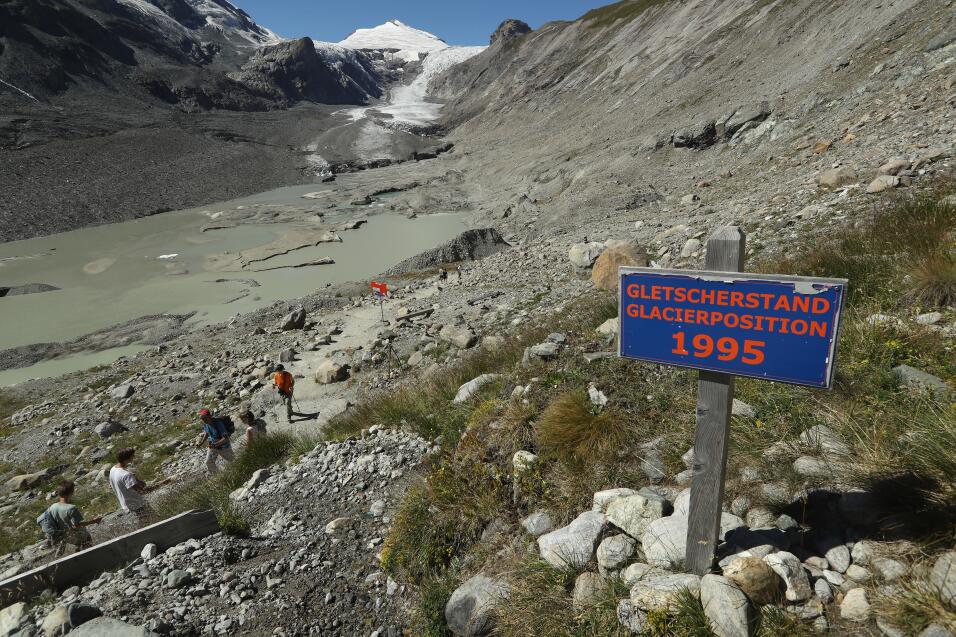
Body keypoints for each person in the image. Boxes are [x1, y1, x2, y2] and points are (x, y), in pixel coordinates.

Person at [39, 480, 101, 555]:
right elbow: (76, 525)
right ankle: (88, 557)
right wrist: (94, 521)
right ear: (71, 493)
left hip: (62, 534)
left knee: (77, 544)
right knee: (86, 538)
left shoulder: (53, 506)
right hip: (73, 534)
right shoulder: (71, 508)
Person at [109, 448, 158, 522]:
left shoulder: (113, 469)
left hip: (126, 505)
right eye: (132, 456)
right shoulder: (126, 475)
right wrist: (161, 484)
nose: (133, 457)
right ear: (127, 459)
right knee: (152, 521)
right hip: (137, 505)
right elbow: (142, 491)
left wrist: (135, 479)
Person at [198, 408, 234, 473]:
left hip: (224, 447)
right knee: (208, 462)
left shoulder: (218, 424)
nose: (204, 420)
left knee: (233, 462)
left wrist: (215, 444)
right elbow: (207, 432)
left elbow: (225, 438)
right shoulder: (206, 424)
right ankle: (217, 475)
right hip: (213, 447)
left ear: (210, 416)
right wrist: (201, 442)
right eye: (202, 419)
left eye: (205, 418)